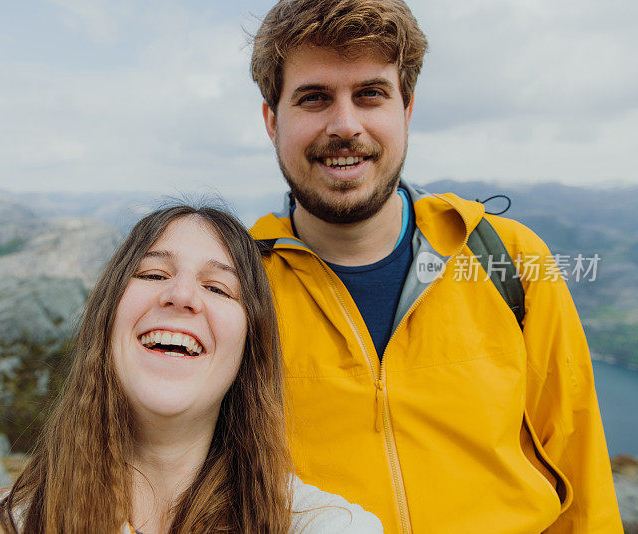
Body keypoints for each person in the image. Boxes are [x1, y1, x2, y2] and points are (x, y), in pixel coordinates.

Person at [248, 0, 622, 532]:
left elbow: (582, 480)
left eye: (371, 94)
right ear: (271, 119)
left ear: (407, 109)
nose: (345, 125)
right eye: (314, 98)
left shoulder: (511, 260)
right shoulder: (233, 287)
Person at [0, 205, 383, 533]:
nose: (182, 295)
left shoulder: (322, 525)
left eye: (218, 288)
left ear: (250, 350)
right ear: (106, 319)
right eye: (152, 275)